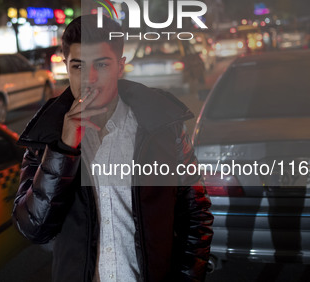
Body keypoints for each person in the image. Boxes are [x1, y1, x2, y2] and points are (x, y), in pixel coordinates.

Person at [13, 15, 213, 282]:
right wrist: (63, 149)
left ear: (120, 67)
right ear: (67, 68)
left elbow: (195, 214)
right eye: (78, 66)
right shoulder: (46, 135)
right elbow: (33, 228)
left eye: (102, 64)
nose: (90, 78)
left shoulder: (161, 126)